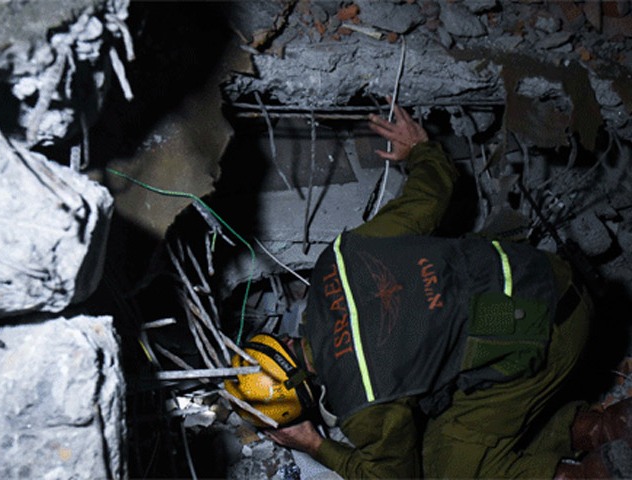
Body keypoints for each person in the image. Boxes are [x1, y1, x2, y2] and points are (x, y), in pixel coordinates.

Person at [226, 102, 632, 479]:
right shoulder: (338, 260)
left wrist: (314, 444)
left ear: (297, 405)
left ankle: (596, 473)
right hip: (548, 277)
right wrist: (421, 150)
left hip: (552, 334)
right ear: (277, 339)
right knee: (463, 375)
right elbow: (431, 194)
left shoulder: (361, 403)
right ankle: (606, 428)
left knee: (445, 464)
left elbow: (392, 476)